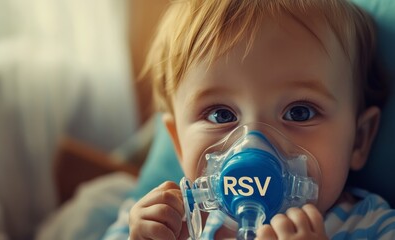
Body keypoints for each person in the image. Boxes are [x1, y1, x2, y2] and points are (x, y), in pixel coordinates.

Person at [106, 0, 395, 239]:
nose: (252, 145)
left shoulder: (374, 227)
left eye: (299, 112)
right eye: (221, 115)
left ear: (359, 139)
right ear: (178, 144)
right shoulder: (162, 222)